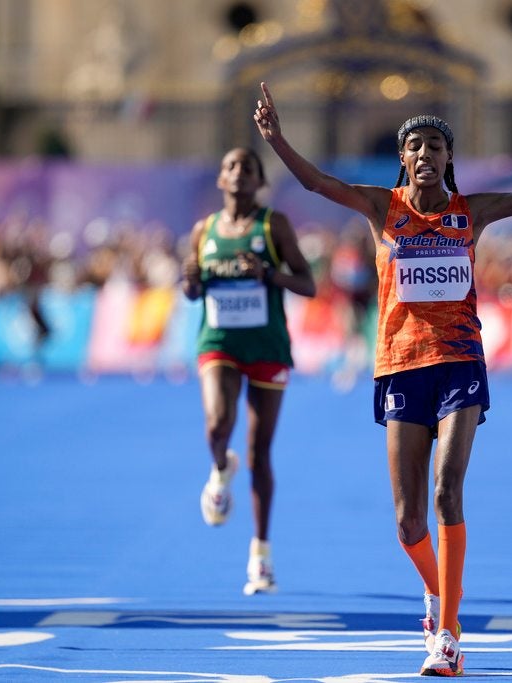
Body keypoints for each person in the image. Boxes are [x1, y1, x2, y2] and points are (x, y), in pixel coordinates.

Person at [254, 82, 512, 675]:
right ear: (403, 158)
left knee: (446, 490)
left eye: (437, 144)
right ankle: (437, 595)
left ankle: (449, 632)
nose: (426, 154)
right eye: (415, 145)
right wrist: (277, 140)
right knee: (408, 521)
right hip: (399, 367)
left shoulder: (473, 211)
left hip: (460, 361)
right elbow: (316, 183)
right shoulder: (380, 208)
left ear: (448, 158)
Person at [181, 146, 316, 596]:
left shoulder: (272, 225)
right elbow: (191, 288)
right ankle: (220, 468)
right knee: (218, 424)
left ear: (260, 182)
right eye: (231, 166)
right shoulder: (204, 230)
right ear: (220, 179)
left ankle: (261, 555)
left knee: (260, 454)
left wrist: (269, 275)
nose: (239, 173)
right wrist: (190, 282)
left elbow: (308, 283)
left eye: (248, 168)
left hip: (267, 347)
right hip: (219, 342)